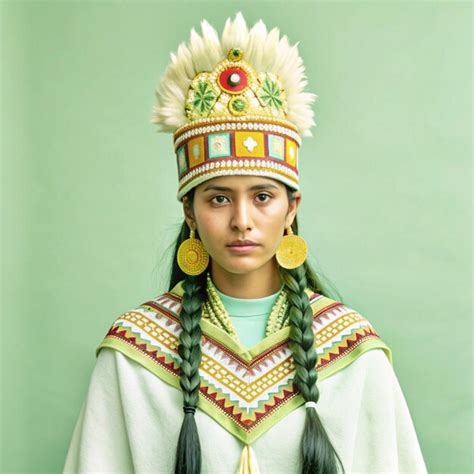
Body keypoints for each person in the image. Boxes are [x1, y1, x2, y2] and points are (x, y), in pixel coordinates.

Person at [63, 12, 427, 474]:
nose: (242, 221)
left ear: (291, 208)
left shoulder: (353, 352)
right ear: (189, 212)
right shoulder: (135, 356)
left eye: (262, 197)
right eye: (218, 198)